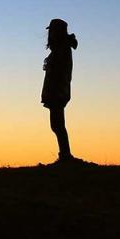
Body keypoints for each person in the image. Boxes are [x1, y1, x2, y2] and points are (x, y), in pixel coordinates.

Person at [41, 18, 78, 162]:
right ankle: (65, 155)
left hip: (57, 92)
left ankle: (65, 155)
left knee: (57, 125)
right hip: (57, 91)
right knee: (57, 125)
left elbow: (58, 73)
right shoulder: (61, 49)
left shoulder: (62, 49)